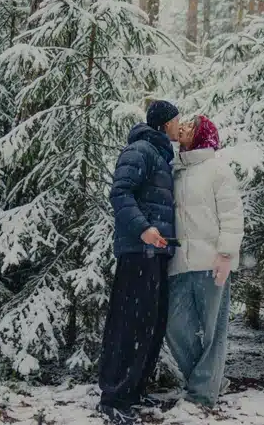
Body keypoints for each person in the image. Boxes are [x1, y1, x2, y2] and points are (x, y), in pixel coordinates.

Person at [97, 100, 181, 425]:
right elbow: (120, 193)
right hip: (138, 252)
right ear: (163, 124)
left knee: (150, 325)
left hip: (155, 254)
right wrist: (145, 230)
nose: (179, 125)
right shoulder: (141, 150)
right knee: (128, 325)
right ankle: (112, 399)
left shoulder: (160, 156)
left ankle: (132, 392)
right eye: (176, 120)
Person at [166, 115, 244, 408]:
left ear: (202, 135)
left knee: (214, 331)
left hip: (212, 263)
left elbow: (233, 216)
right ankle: (211, 380)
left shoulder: (217, 170)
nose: (183, 127)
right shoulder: (174, 170)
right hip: (178, 265)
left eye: (191, 126)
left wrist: (226, 254)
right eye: (182, 123)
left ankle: (201, 396)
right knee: (174, 328)